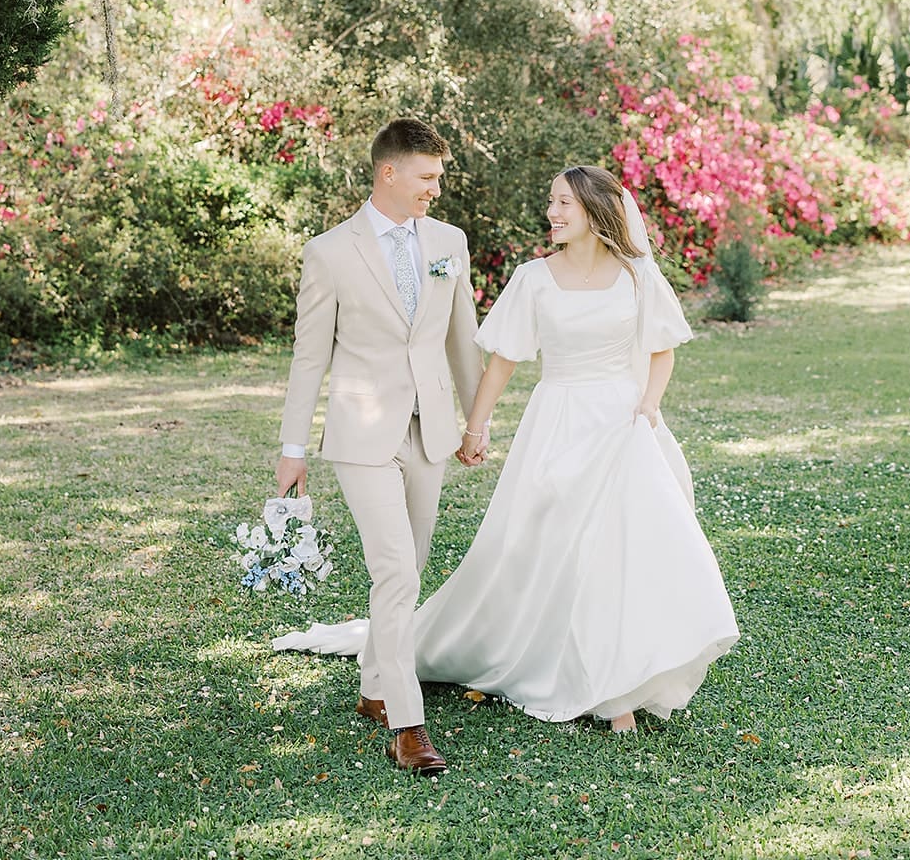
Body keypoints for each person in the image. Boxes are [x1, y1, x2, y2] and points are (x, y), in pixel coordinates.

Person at [277, 164, 739, 737]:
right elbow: (502, 363)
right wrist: (475, 425)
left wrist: (648, 404)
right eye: (552, 201)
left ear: (596, 211)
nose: (553, 213)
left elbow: (662, 350)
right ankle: (561, 668)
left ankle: (620, 686)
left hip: (624, 425)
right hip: (560, 421)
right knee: (558, 550)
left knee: (624, 550)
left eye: (564, 203)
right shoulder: (533, 279)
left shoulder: (639, 276)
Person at [275, 117, 483, 775]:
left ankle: (372, 689)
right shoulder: (330, 251)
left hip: (430, 433)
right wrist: (292, 447)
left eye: (439, 177)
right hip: (362, 437)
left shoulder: (449, 241)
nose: (435, 189)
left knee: (407, 571)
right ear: (388, 172)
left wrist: (475, 423)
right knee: (395, 571)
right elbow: (310, 357)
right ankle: (408, 723)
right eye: (427, 177)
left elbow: (461, 337)